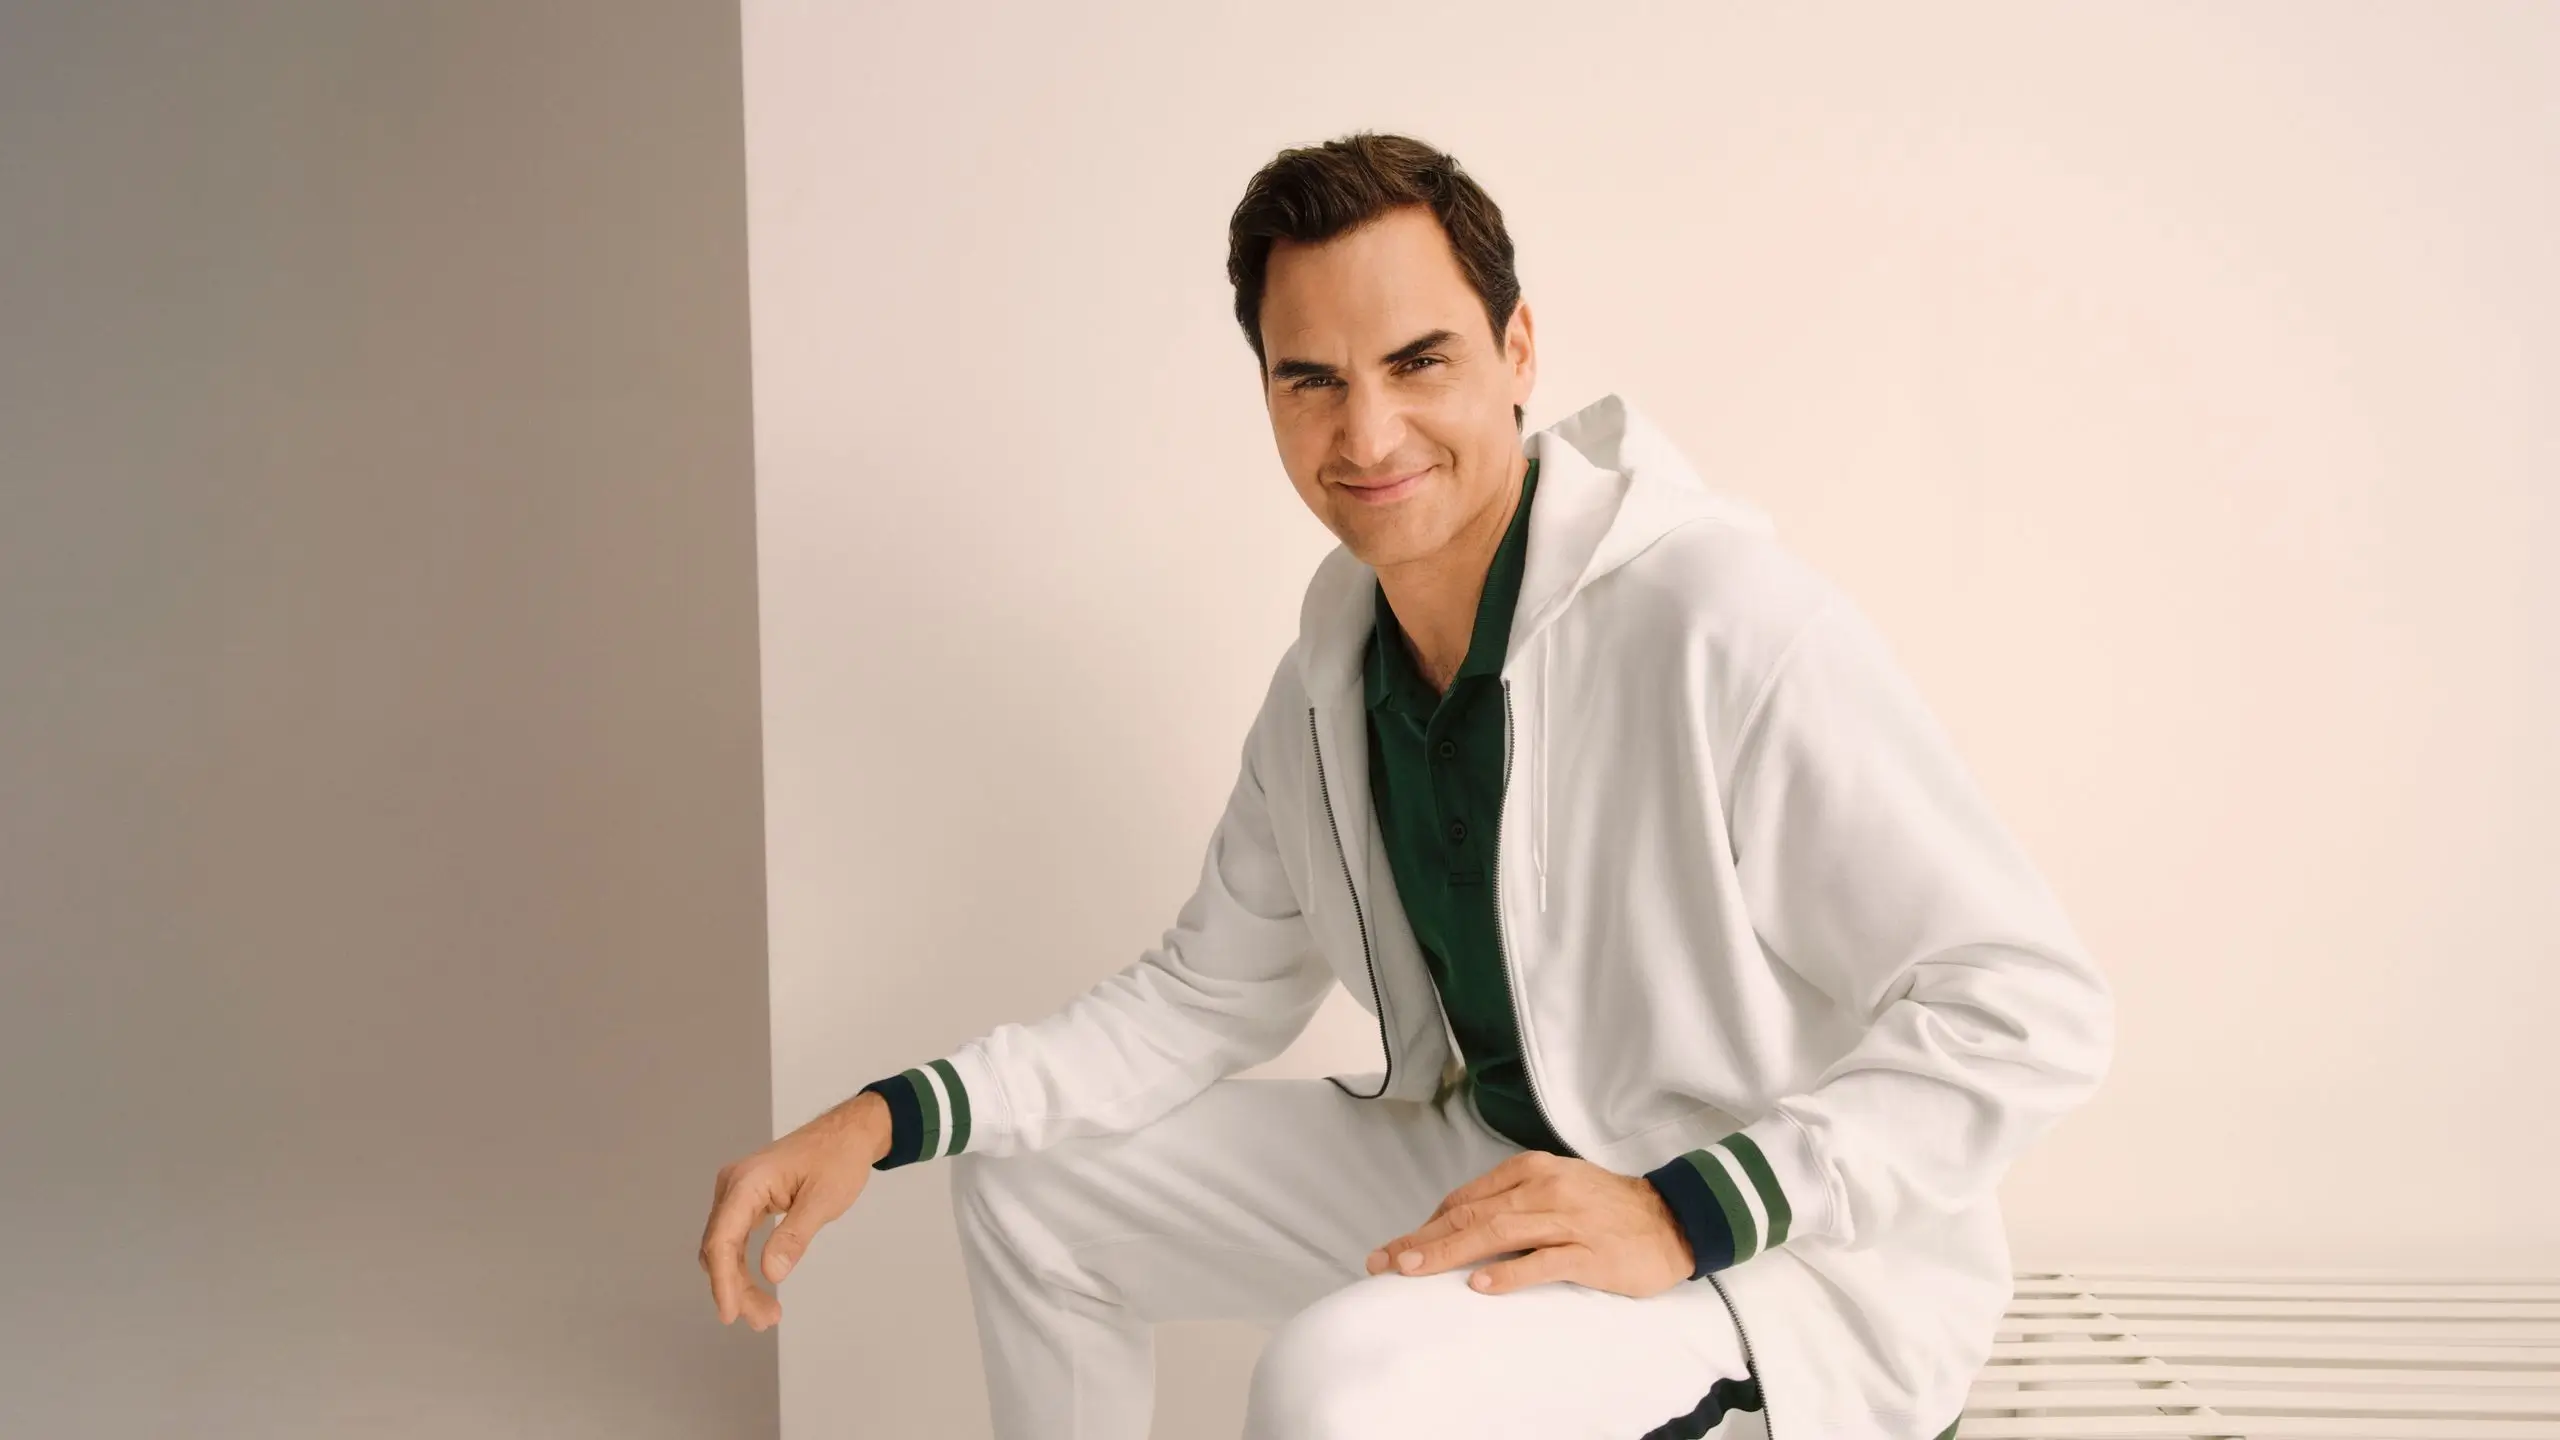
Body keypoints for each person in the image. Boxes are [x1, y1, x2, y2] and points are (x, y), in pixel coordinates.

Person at [698, 131, 2114, 1440]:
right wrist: (876, 1118)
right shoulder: (1330, 681)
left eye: (1418, 361)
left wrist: (1681, 1213)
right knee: (1035, 1186)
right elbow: (1199, 997)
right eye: (1311, 378)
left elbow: (2026, 1007)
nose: (1367, 435)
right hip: (1501, 1165)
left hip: (1766, 1258)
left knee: (1333, 1384)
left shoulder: (1720, 623)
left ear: (1517, 350)